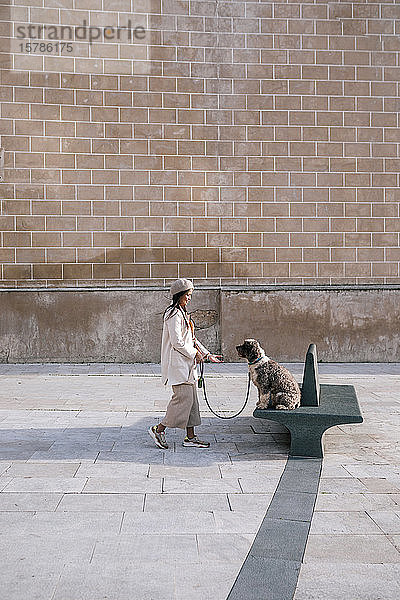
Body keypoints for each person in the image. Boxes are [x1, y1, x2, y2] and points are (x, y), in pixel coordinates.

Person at [149, 278, 222, 449]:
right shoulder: (173, 314)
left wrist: (207, 354)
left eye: (190, 295)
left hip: (187, 365)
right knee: (182, 400)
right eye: (187, 295)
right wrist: (195, 354)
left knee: (192, 402)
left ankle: (190, 437)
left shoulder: (183, 313)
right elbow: (177, 342)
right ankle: (158, 429)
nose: (190, 298)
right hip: (178, 366)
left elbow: (192, 339)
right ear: (179, 295)